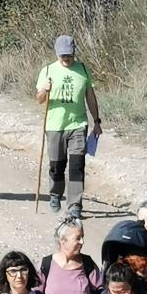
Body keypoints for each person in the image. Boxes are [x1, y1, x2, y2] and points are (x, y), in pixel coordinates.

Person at [35, 34, 102, 219]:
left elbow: (90, 96)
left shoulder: (83, 70)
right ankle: (55, 193)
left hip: (78, 124)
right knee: (57, 166)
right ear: (57, 54)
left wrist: (96, 121)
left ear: (74, 53)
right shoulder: (47, 71)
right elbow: (39, 100)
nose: (66, 58)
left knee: (77, 165)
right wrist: (44, 90)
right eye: (63, 55)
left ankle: (74, 205)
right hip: (55, 125)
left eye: (69, 55)